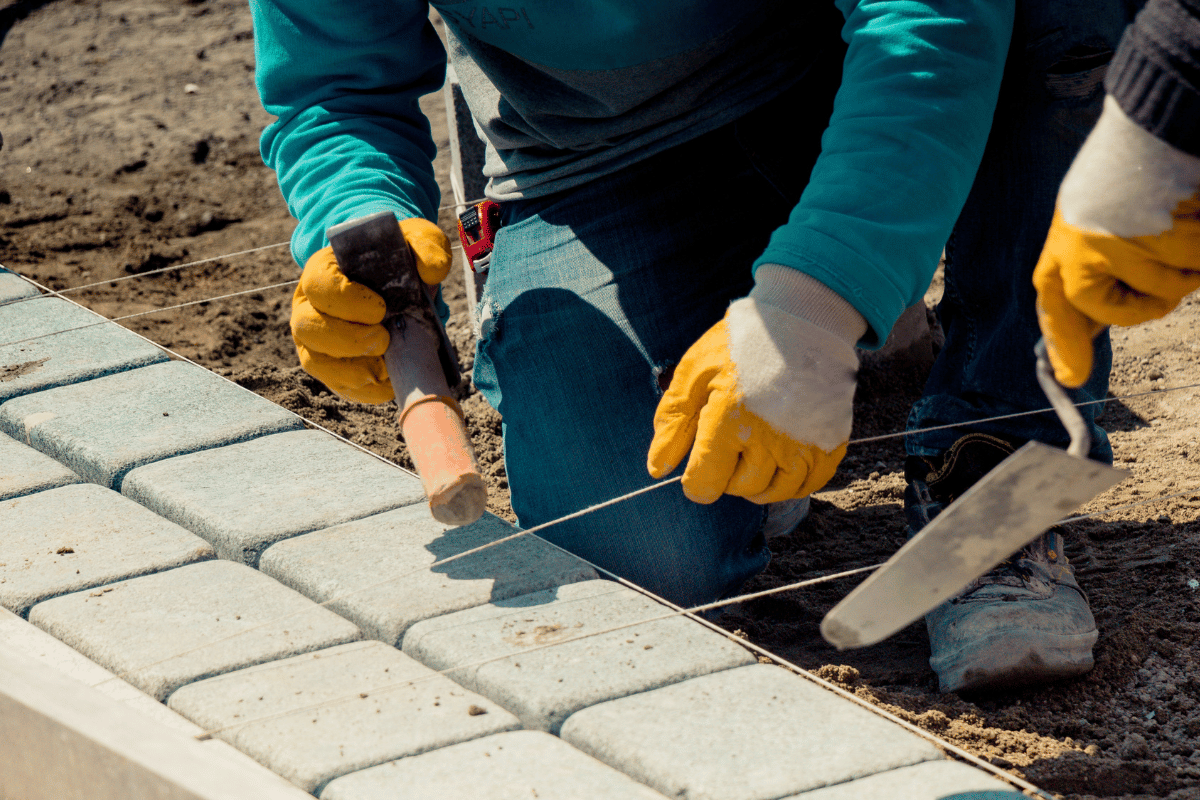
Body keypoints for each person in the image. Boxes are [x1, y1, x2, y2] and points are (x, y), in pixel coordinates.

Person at [249, 1, 1138, 693]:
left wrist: (816, 307)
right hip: (602, 151)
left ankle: (991, 455)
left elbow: (932, 20)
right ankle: (759, 373)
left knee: (1057, 17)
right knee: (641, 564)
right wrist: (356, 213)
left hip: (866, 59)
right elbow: (334, 85)